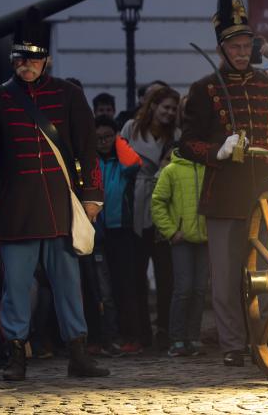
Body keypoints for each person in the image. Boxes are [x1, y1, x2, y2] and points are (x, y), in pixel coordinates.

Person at [0, 14, 109, 380]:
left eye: (32, 58)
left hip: (60, 207)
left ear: (47, 59)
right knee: (15, 289)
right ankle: (16, 355)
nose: (24, 65)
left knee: (69, 287)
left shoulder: (69, 95)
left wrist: (92, 197)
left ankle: (78, 353)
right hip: (16, 210)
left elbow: (86, 151)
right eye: (19, 59)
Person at [179, 0, 268, 367]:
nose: (242, 51)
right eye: (235, 45)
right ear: (222, 48)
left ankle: (262, 338)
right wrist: (217, 150)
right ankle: (233, 344)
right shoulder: (204, 90)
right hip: (225, 193)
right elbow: (186, 145)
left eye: (247, 44)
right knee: (229, 277)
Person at [122, 85, 181, 349]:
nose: (169, 113)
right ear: (154, 106)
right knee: (135, 276)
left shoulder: (176, 136)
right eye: (165, 107)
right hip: (135, 205)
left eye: (173, 109)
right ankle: (141, 332)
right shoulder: (130, 129)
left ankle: (164, 331)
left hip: (164, 209)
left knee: (166, 275)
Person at [92, 115, 143, 354]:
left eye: (108, 137)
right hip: (97, 231)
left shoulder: (120, 160)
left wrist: (119, 141)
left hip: (122, 230)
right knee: (102, 289)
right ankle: (104, 336)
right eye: (98, 138)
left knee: (125, 286)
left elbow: (134, 164)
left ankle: (128, 336)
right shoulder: (91, 162)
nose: (103, 142)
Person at [151, 146, 208, 357]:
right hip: (181, 240)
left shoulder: (206, 168)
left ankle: (193, 337)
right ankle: (176, 339)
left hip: (203, 239)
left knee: (200, 290)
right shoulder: (171, 170)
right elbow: (157, 203)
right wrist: (171, 231)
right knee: (183, 289)